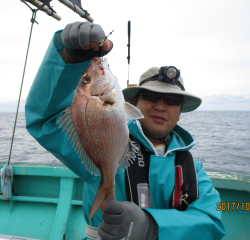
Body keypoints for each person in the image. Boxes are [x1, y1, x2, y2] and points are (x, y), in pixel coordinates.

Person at [25, 22, 225, 240]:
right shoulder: (101, 141)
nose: (160, 105)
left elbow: (212, 223)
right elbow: (45, 119)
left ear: (180, 112)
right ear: (134, 102)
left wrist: (153, 227)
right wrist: (68, 58)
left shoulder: (193, 169)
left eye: (172, 100)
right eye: (150, 96)